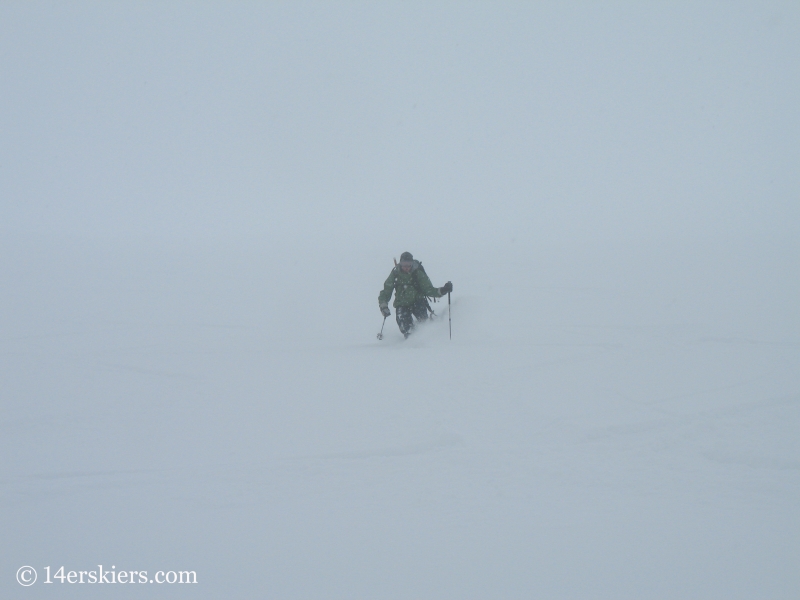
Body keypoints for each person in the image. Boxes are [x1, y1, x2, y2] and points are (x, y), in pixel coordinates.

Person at [378, 252, 453, 338]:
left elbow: (429, 289)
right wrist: (384, 306)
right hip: (401, 304)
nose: (406, 267)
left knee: (424, 322)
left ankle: (427, 339)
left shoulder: (418, 273)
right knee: (405, 327)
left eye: (408, 264)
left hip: (418, 302)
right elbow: (386, 291)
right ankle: (410, 342)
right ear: (400, 263)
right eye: (404, 264)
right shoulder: (395, 274)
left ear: (412, 263)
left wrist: (443, 290)